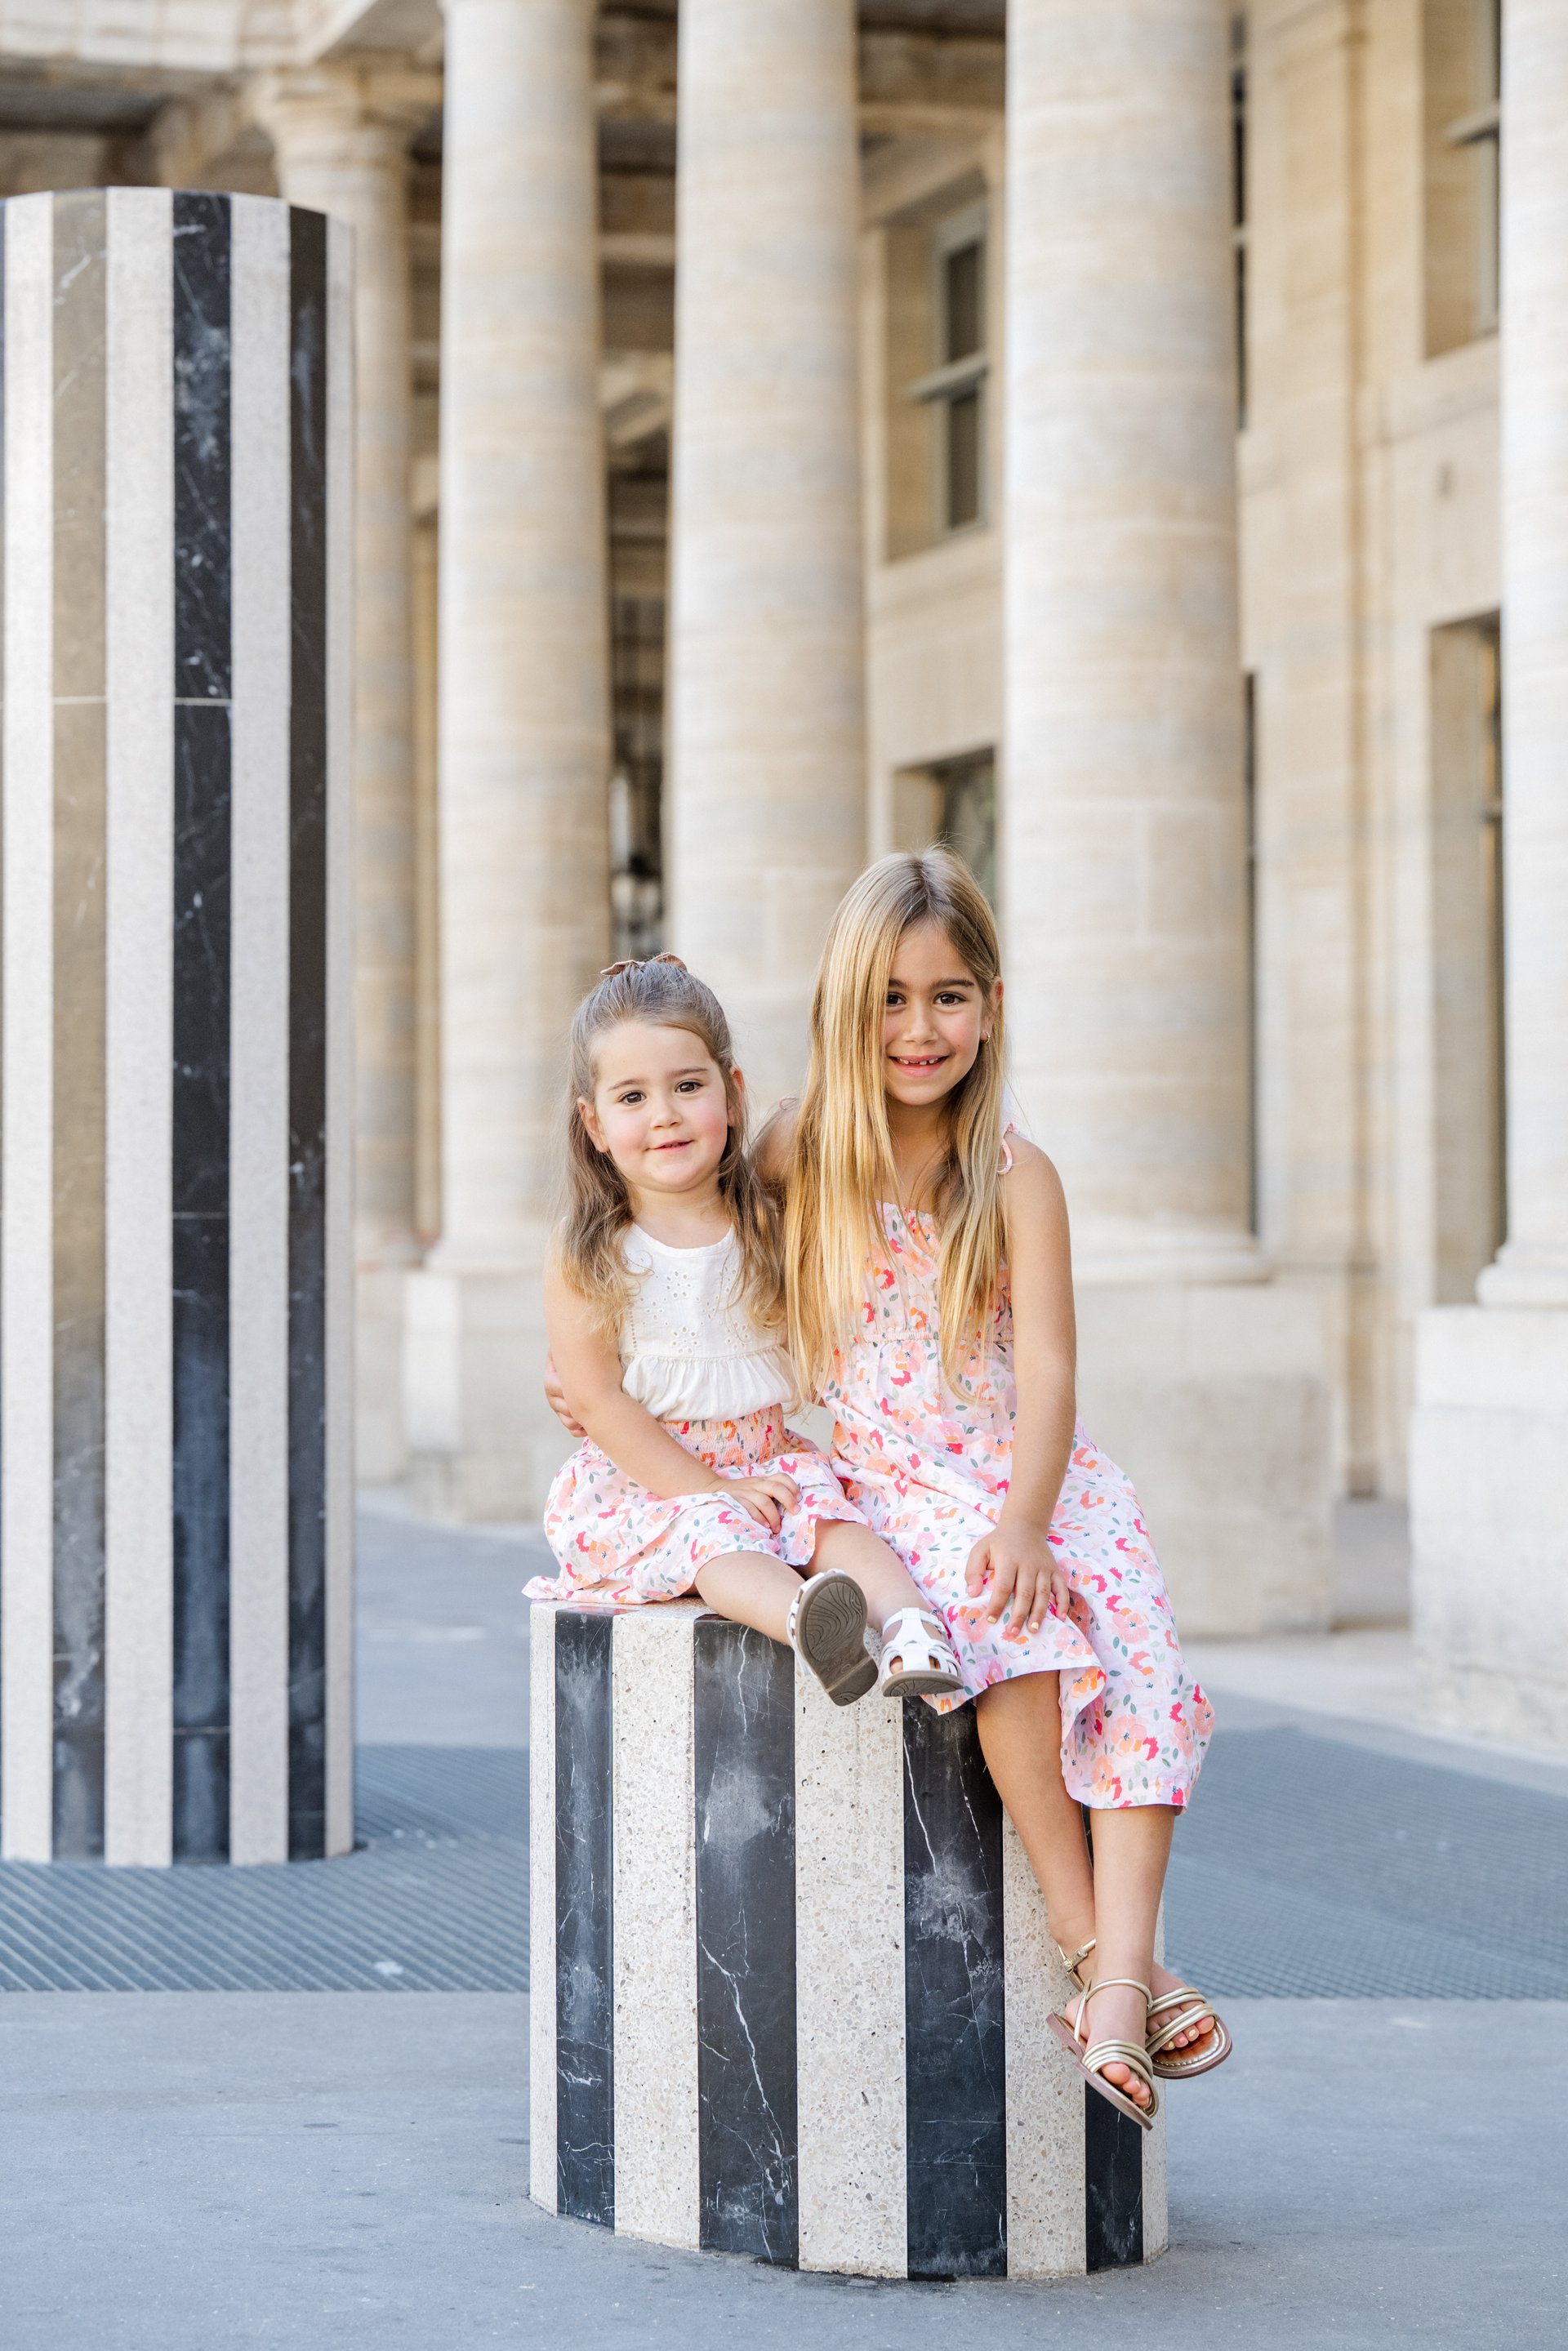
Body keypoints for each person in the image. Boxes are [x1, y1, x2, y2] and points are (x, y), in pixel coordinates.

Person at [765, 849, 1229, 2126]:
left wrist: (1030, 1515)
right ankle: (1112, 1972)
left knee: (1140, 1660)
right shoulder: (799, 1150)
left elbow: (1054, 1370)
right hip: (899, 1481)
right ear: (844, 1004)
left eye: (949, 995)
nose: (920, 1027)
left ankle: (1119, 1969)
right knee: (1019, 1639)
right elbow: (684, 1235)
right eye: (891, 997)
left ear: (993, 1003)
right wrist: (598, 1370)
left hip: (1031, 1473)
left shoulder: (1020, 1174)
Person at [528, 952, 964, 1707]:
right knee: (717, 1544)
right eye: (632, 1097)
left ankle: (910, 1626)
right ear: (594, 1124)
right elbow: (599, 1402)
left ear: (731, 1095)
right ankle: (808, 1621)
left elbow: (826, 1130)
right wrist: (714, 1488)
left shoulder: (763, 1215)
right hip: (656, 1478)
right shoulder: (587, 1249)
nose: (664, 1114)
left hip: (768, 1453)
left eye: (687, 1086)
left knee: (833, 1521)